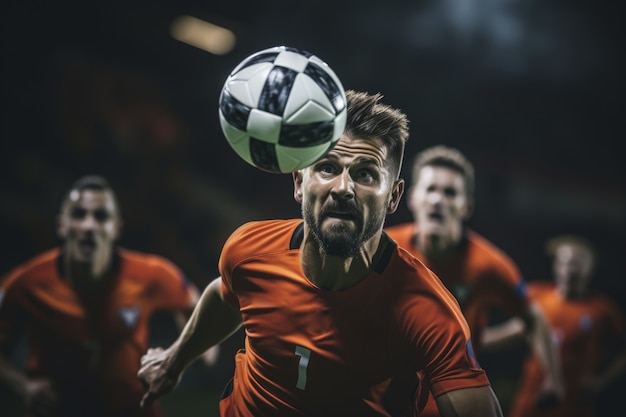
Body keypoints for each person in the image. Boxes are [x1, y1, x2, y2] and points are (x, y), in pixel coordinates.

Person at [137, 90, 505, 417]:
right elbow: (226, 295)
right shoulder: (247, 250)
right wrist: (173, 361)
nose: (343, 188)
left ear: (393, 196)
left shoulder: (426, 309)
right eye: (327, 167)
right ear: (299, 181)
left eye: (366, 174)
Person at [0, 175, 217, 417]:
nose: (88, 226)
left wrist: (175, 360)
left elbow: (207, 316)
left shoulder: (153, 275)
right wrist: (23, 387)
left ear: (117, 227)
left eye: (101, 216)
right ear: (61, 225)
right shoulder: (26, 283)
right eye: (79, 215)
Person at [384, 145, 563, 416]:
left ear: (466, 206)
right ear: (412, 198)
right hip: (390, 393)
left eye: (450, 193)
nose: (438, 200)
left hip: (453, 397)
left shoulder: (489, 266)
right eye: (431, 189)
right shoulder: (384, 248)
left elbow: (534, 320)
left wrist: (553, 379)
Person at [489, 235, 626, 417]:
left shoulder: (602, 310)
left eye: (577, 264)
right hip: (532, 401)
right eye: (564, 263)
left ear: (590, 268)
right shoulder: (536, 296)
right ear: (555, 266)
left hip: (575, 406)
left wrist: (601, 382)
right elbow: (515, 331)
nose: (569, 270)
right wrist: (472, 338)